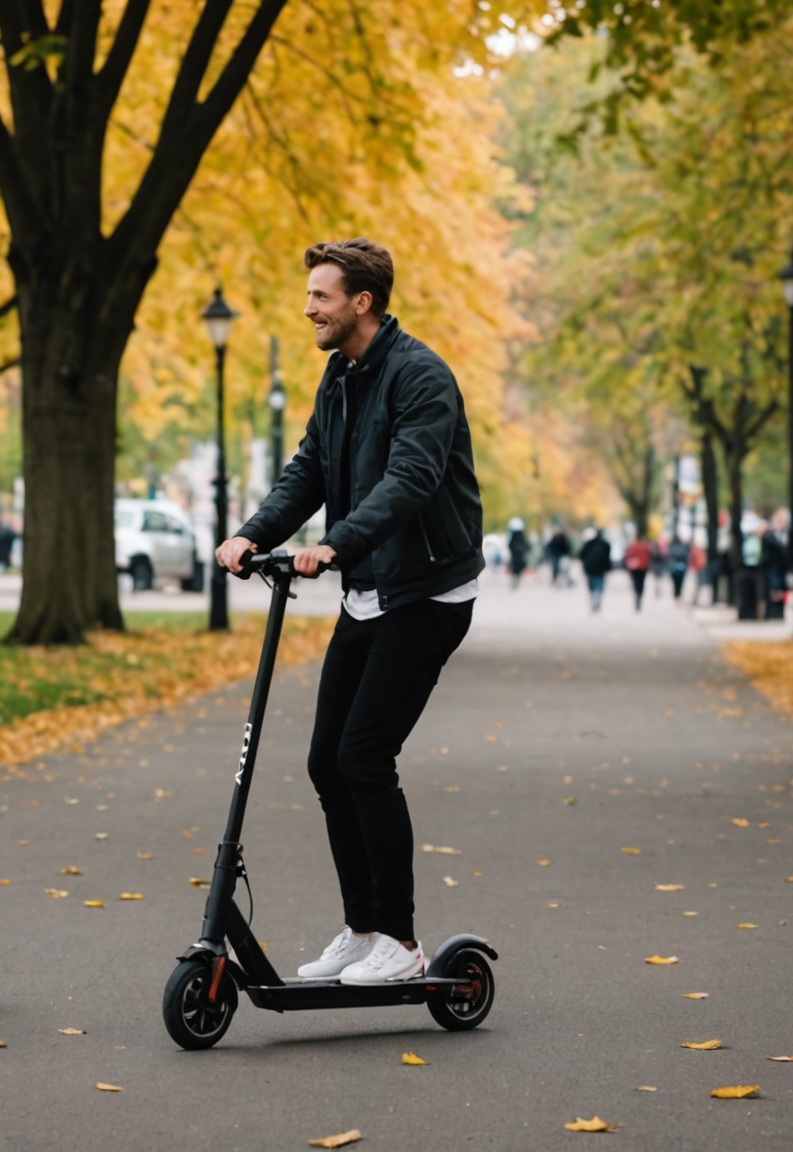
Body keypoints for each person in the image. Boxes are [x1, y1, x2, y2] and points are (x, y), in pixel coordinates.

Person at [215, 238, 481, 986]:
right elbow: (309, 470)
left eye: (321, 297)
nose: (309, 310)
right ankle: (362, 929)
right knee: (325, 762)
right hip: (371, 594)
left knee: (364, 757)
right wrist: (251, 533)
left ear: (362, 302)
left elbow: (411, 481)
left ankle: (400, 941)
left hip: (427, 592)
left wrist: (333, 545)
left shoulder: (420, 376)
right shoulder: (339, 378)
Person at [578, 527, 612, 612]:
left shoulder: (588, 543)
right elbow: (607, 557)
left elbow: (581, 555)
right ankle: (596, 598)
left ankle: (593, 598)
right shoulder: (606, 545)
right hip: (601, 568)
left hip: (590, 568)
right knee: (599, 584)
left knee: (591, 585)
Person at [623, 534, 653, 612]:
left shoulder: (631, 546)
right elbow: (650, 556)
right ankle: (639, 595)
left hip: (634, 567)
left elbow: (626, 556)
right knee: (641, 582)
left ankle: (637, 594)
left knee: (635, 582)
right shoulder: (645, 547)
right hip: (643, 567)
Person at [505, 517, 529, 590]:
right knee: (517, 570)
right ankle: (516, 580)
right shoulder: (521, 536)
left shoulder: (513, 536)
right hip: (519, 556)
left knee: (515, 569)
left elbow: (509, 545)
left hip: (515, 556)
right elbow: (526, 545)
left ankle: (515, 581)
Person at [666, 535, 691, 600]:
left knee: (675, 582)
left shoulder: (671, 547)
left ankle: (675, 593)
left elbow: (669, 557)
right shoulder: (683, 547)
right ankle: (678, 594)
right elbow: (686, 557)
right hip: (681, 567)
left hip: (673, 567)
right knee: (680, 582)